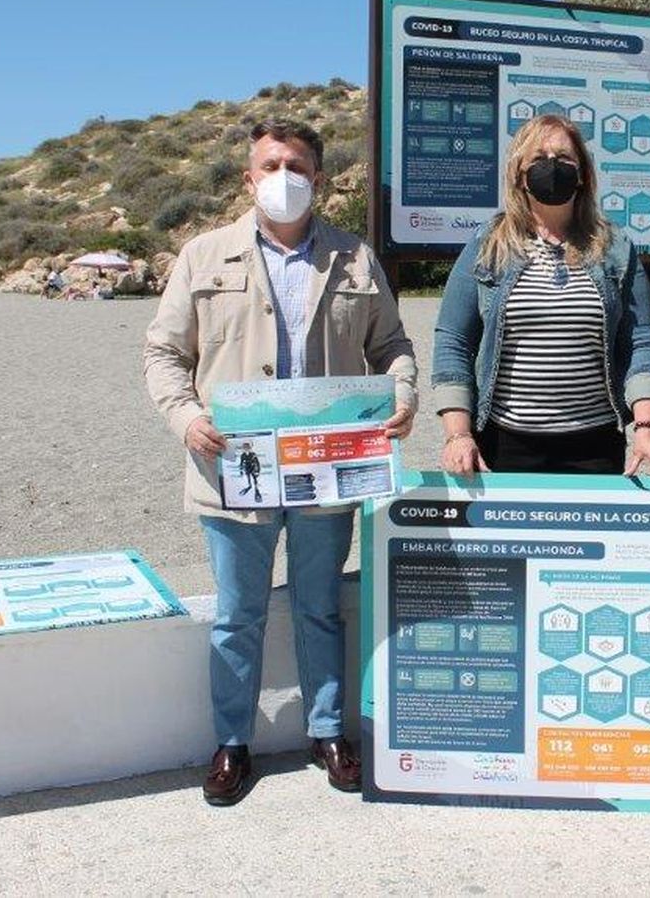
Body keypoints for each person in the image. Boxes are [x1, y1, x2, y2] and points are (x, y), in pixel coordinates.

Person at [144, 119, 417, 805]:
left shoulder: (354, 257)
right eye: (269, 165)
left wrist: (404, 396)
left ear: (319, 180)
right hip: (235, 470)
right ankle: (232, 744)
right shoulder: (203, 256)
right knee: (238, 615)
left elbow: (392, 344)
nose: (283, 177)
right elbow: (164, 354)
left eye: (296, 165)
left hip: (326, 470)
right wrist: (187, 418)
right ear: (248, 176)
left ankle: (328, 733)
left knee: (320, 608)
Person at [432, 114, 650, 475]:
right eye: (538, 159)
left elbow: (640, 339)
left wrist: (647, 426)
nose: (552, 167)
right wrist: (457, 434)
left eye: (564, 159)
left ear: (583, 173)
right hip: (506, 442)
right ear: (519, 174)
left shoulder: (615, 247)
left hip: (594, 443)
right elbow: (453, 340)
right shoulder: (488, 245)